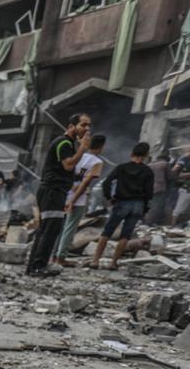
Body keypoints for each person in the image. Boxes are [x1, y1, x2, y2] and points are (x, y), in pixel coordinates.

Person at [26, 113, 92, 277]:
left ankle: (35, 266)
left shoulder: (68, 144)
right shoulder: (63, 143)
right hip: (52, 191)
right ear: (71, 126)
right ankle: (38, 266)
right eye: (83, 125)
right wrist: (83, 148)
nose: (87, 129)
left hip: (55, 191)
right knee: (50, 230)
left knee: (46, 229)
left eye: (88, 125)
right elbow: (68, 165)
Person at [89, 142, 154, 270]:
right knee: (125, 235)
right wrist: (145, 209)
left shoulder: (122, 167)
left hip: (121, 203)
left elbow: (107, 182)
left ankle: (95, 261)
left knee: (107, 232)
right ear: (146, 155)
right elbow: (149, 193)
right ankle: (113, 263)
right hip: (138, 205)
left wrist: (109, 198)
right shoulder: (148, 171)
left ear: (132, 154)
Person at [54, 134, 105, 266]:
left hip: (64, 192)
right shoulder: (97, 162)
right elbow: (85, 183)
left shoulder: (78, 156)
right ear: (101, 147)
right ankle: (61, 257)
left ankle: (54, 255)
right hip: (78, 198)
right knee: (69, 228)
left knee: (59, 227)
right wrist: (73, 200)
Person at [147, 153, 175, 225]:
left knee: (147, 205)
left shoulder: (149, 165)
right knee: (155, 207)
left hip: (148, 188)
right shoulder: (165, 164)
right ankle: (149, 223)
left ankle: (143, 221)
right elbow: (170, 177)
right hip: (159, 188)